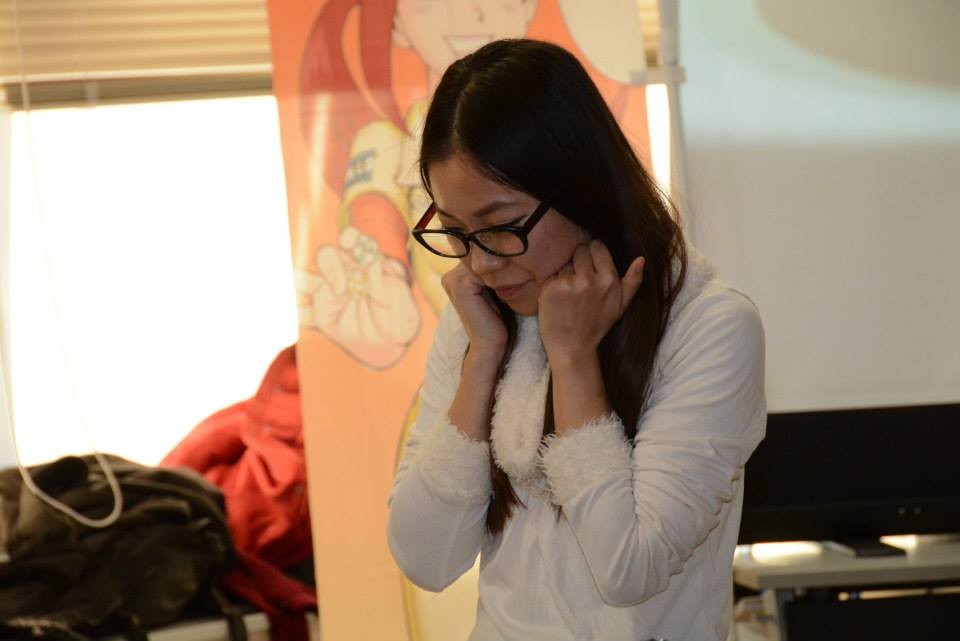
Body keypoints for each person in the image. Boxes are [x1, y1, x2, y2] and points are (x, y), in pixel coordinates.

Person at [387, 39, 766, 641]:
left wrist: (573, 361)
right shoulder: (477, 319)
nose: (481, 263)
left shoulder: (709, 325)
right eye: (455, 231)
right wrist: (483, 358)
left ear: (584, 190)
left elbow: (628, 569)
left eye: (501, 227)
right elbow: (425, 560)